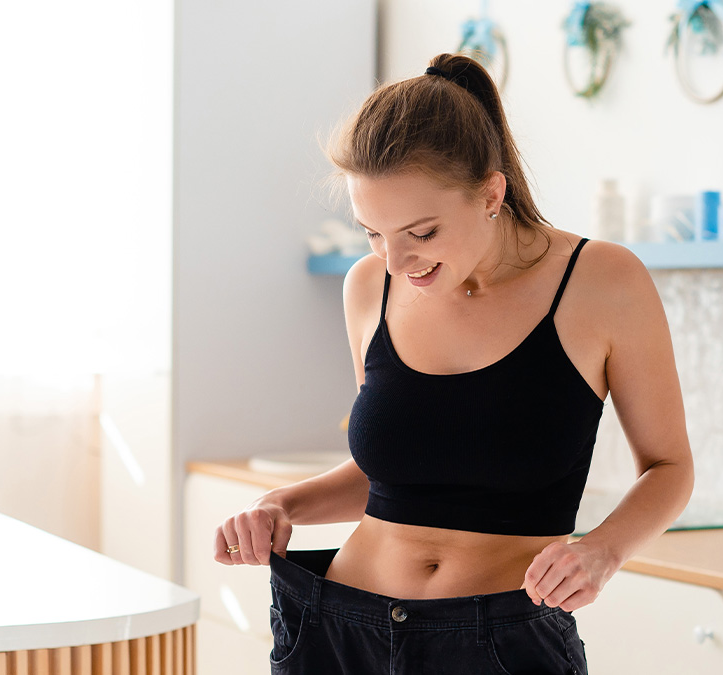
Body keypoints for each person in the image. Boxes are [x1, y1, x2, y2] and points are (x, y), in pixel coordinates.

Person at [214, 53, 693, 674]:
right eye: (373, 233)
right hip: (336, 630)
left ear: (492, 193)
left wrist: (604, 549)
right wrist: (285, 506)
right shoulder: (369, 289)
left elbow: (669, 466)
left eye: (421, 232)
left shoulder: (601, 282)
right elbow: (390, 474)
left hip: (500, 644)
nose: (396, 261)